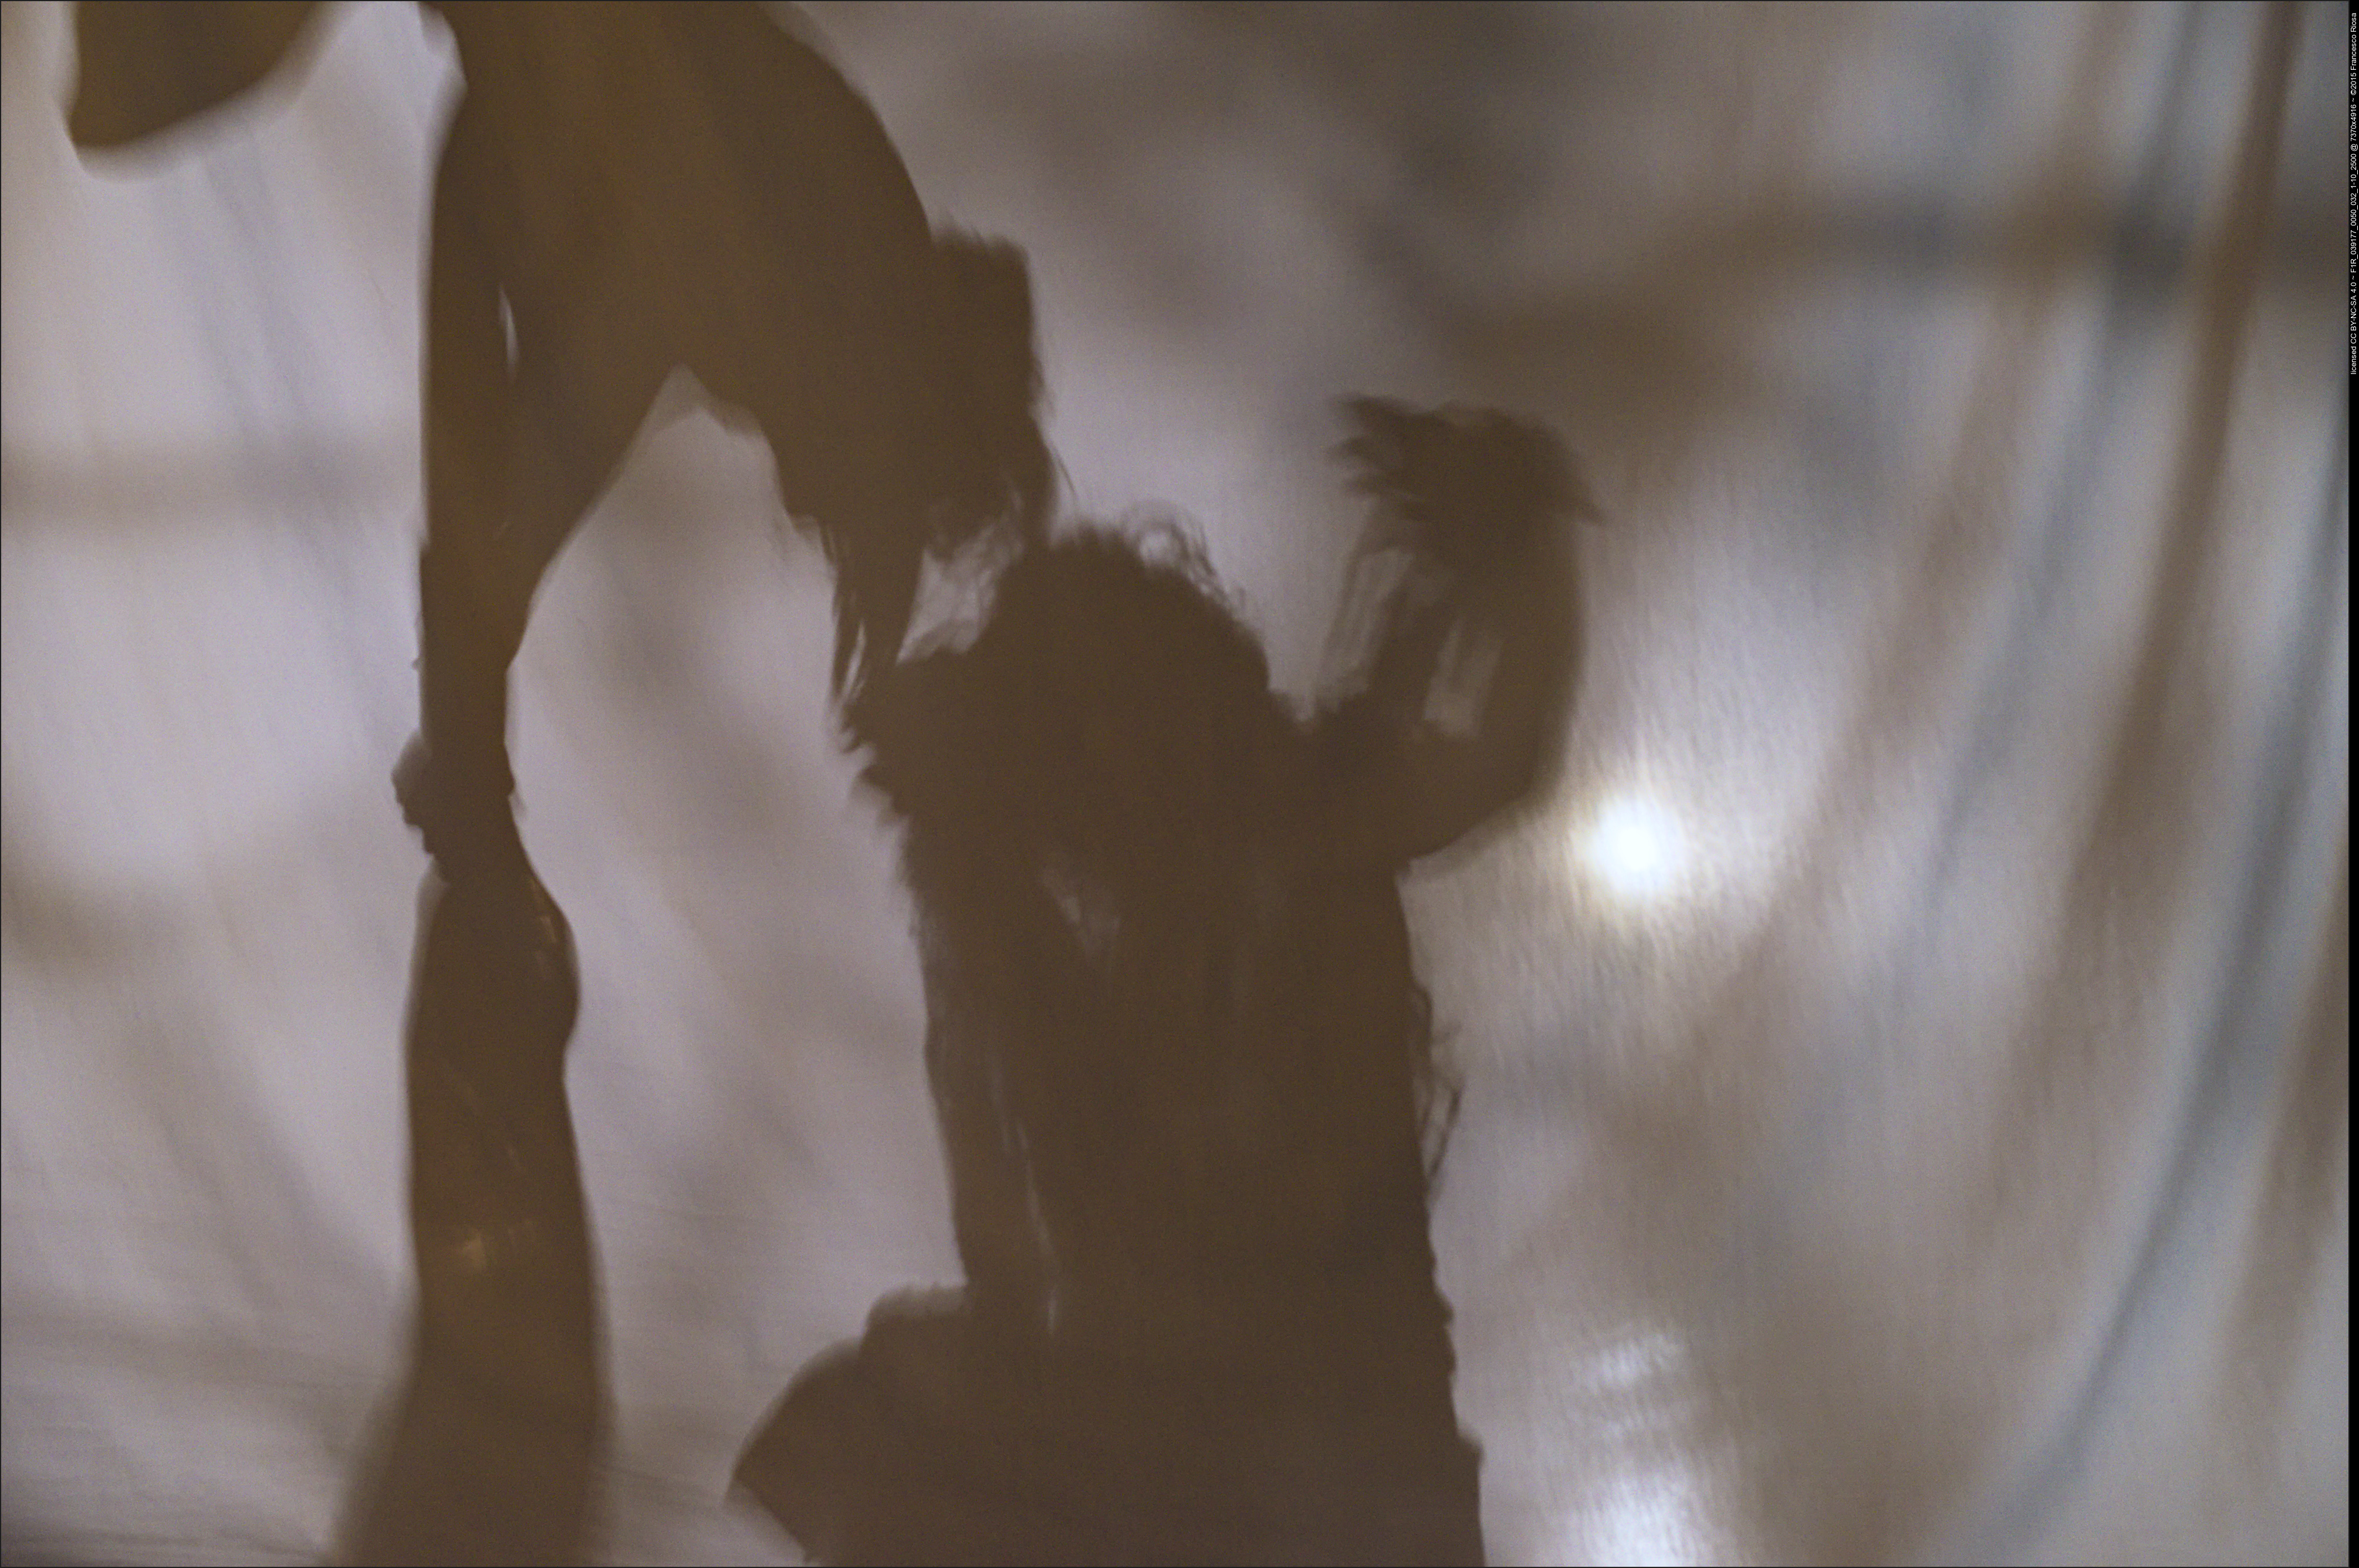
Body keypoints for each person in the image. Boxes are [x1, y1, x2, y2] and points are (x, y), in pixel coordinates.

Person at [67, 6, 1051, 1561]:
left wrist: (471, 758)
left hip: (566, 136)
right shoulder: (753, 234)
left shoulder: (634, 209)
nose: (765, 457)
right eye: (804, 461)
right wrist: (473, 757)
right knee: (136, 112)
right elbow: (528, 465)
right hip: (602, 120)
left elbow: (489, 483)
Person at [737, 397, 1591, 1566]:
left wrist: (1525, 536)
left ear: (1192, 709)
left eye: (1130, 725)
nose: (1112, 770)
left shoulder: (1312, 830)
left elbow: (1502, 757)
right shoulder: (1013, 922)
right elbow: (1000, 1229)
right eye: (1074, 743)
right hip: (1173, 1441)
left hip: (1336, 1448)